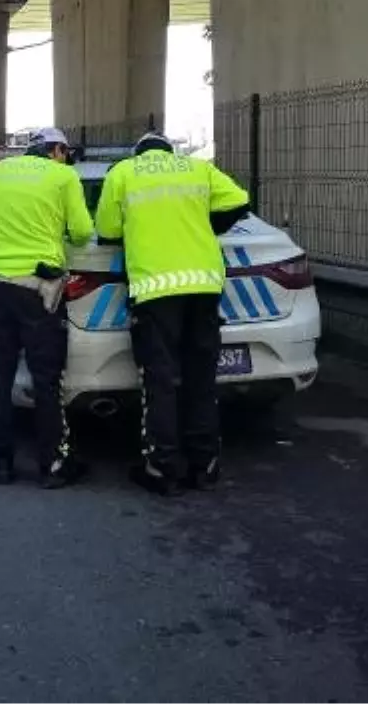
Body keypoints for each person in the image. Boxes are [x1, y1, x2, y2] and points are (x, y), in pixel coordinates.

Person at [94, 131, 250, 495]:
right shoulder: (197, 168)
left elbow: (106, 229)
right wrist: (202, 225)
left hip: (155, 290)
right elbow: (239, 201)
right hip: (204, 286)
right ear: (169, 150)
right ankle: (205, 466)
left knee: (160, 382)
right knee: (201, 378)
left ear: (139, 152)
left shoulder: (124, 172)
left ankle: (162, 469)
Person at [0, 127, 94, 488]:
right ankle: (52, 466)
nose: (67, 158)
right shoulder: (63, 176)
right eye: (65, 152)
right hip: (39, 290)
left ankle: (1, 463)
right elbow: (80, 232)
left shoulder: (0, 172)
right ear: (57, 150)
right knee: (46, 380)